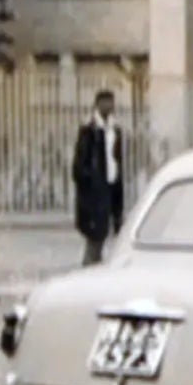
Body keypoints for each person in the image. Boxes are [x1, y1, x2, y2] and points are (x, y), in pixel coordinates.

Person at [72, 89, 124, 265]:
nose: (109, 106)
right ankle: (88, 273)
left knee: (103, 236)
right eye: (105, 102)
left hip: (110, 188)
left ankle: (93, 270)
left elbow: (116, 159)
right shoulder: (89, 130)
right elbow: (79, 166)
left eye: (111, 102)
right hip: (94, 193)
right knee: (95, 238)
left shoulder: (114, 130)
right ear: (98, 104)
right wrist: (91, 182)